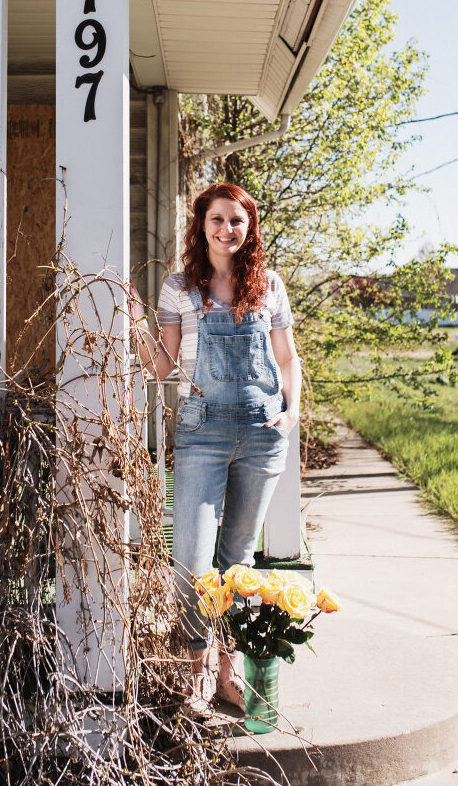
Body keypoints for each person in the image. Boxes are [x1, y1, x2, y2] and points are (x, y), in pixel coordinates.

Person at [131, 183, 301, 712]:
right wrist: (133, 319)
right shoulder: (179, 287)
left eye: (238, 222)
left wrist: (291, 415)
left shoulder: (268, 286)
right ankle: (195, 673)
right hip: (202, 432)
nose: (227, 229)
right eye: (218, 219)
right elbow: (161, 366)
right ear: (201, 223)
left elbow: (288, 359)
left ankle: (229, 666)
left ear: (249, 230)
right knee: (192, 558)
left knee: (237, 560)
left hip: (260, 432)